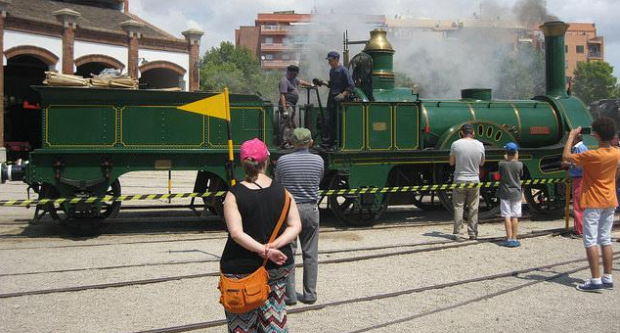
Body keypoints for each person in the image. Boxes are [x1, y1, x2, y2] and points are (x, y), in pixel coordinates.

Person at [220, 138, 302, 331]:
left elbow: (236, 233)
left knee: (242, 324)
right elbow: (295, 225)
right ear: (266, 161)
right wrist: (273, 248)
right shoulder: (283, 191)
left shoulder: (234, 194)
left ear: (243, 163)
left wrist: (264, 250)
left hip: (241, 268)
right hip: (277, 265)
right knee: (274, 319)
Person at [562, 117, 619, 292]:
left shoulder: (591, 155)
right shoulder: (617, 152)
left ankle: (595, 280)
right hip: (609, 200)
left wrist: (571, 136)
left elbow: (566, 157)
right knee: (605, 239)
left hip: (593, 201)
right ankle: (607, 277)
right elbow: (617, 175)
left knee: (590, 240)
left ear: (595, 134)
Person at [276, 128, 324, 306]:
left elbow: (279, 183)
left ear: (292, 142)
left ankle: (290, 296)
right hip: (311, 209)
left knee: (288, 252)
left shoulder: (283, 161)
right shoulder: (318, 160)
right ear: (310, 142)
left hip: (289, 210)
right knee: (310, 253)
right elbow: (318, 179)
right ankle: (310, 294)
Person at [449, 123, 485, 241]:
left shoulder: (455, 144)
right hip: (474, 179)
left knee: (459, 207)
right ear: (473, 133)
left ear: (462, 133)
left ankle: (457, 233)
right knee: (474, 207)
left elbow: (451, 163)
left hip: (460, 179)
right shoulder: (480, 145)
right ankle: (473, 233)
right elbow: (482, 163)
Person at [312, 51, 355, 151]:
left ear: (336, 59)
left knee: (337, 121)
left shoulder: (343, 70)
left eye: (330, 60)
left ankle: (336, 143)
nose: (329, 63)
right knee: (328, 120)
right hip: (332, 98)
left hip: (340, 100)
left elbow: (351, 86)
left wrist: (343, 95)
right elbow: (331, 84)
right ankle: (327, 144)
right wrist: (322, 82)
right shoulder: (332, 71)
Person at [278, 65, 312, 149]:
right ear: (289, 72)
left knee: (292, 124)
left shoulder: (293, 79)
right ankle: (284, 142)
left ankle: (290, 141)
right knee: (286, 123)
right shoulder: (284, 81)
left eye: (296, 74)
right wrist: (285, 109)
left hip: (292, 105)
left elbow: (300, 82)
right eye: (294, 74)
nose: (295, 76)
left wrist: (310, 85)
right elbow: (282, 95)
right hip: (287, 105)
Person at [561, 134, 588, 236]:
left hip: (579, 178)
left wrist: (567, 164)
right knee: (579, 205)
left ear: (576, 138)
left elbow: (581, 166)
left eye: (572, 138)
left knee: (578, 205)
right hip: (580, 178)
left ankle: (580, 231)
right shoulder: (581, 148)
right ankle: (580, 229)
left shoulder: (579, 148)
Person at [497, 142, 523, 248]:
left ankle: (508, 238)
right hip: (516, 193)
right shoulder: (520, 164)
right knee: (515, 216)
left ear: (506, 153)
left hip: (505, 192)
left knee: (507, 216)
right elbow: (520, 174)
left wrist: (505, 159)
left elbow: (500, 174)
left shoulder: (501, 164)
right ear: (516, 153)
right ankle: (514, 238)